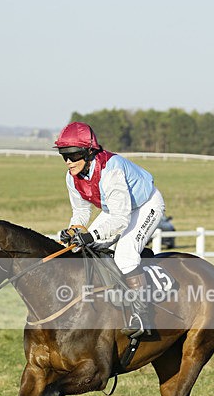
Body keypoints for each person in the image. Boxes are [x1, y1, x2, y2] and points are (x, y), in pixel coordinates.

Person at [55, 121, 165, 338]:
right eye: (63, 155)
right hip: (115, 209)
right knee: (81, 249)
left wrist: (91, 235)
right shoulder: (72, 177)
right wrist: (73, 232)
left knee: (124, 255)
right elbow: (81, 213)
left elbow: (121, 219)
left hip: (145, 205)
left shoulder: (110, 171)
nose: (68, 161)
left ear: (88, 152)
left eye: (74, 155)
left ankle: (143, 316)